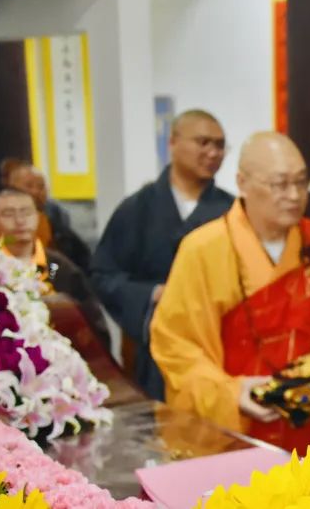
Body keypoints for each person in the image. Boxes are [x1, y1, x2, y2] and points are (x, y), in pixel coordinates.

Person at [150, 131, 310, 451]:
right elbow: (175, 345)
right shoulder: (202, 250)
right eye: (280, 184)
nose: (294, 195)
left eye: (301, 182)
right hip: (237, 425)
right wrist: (231, 393)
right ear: (242, 183)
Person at [91, 109, 235, 400]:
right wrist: (152, 293)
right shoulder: (137, 209)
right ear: (173, 142)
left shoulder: (233, 211)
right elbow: (103, 275)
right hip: (157, 348)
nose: (213, 153)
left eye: (220, 145)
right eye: (203, 142)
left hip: (221, 343)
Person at [0, 188, 112, 350]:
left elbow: (92, 323)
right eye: (8, 214)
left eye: (26, 212)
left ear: (39, 217)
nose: (20, 221)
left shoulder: (59, 267)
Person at [1, 162, 92, 271]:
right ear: (11, 188)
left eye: (41, 186)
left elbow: (81, 259)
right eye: (29, 185)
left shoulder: (56, 218)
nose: (36, 191)